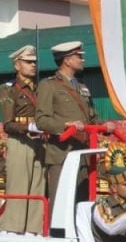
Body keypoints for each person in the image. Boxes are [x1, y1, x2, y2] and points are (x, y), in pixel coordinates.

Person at [35, 41, 112, 205]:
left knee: (81, 202)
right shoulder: (48, 85)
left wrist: (106, 126)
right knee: (61, 203)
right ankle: (57, 232)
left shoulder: (82, 87)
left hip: (83, 153)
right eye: (79, 57)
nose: (82, 60)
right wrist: (65, 125)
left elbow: (91, 118)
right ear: (67, 60)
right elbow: (41, 120)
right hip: (62, 154)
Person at [0, 44, 45, 234]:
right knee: (19, 184)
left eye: (34, 62)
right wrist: (29, 126)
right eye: (28, 62)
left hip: (39, 140)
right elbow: (8, 123)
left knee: (37, 185)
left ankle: (33, 229)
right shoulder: (9, 90)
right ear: (17, 65)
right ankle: (12, 228)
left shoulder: (39, 89)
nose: (33, 65)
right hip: (20, 140)